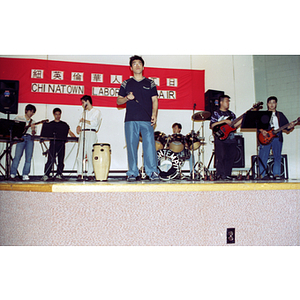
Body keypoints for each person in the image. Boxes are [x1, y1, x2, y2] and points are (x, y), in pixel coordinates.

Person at [117, 55, 160, 181]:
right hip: (131, 120)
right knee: (131, 146)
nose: (137, 65)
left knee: (150, 146)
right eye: (134, 64)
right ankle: (132, 172)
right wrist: (126, 98)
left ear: (143, 66)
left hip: (147, 120)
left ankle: (152, 171)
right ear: (131, 68)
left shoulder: (150, 83)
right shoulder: (126, 83)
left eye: (139, 63)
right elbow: (119, 101)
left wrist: (154, 115)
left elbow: (155, 100)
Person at [258, 96, 295, 180]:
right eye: (270, 102)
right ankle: (261, 175)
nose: (272, 104)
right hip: (265, 137)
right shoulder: (263, 114)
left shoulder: (280, 115)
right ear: (267, 104)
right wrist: (262, 131)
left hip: (277, 137)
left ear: (276, 104)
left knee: (277, 156)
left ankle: (277, 174)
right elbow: (258, 126)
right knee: (263, 156)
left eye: (273, 102)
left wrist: (291, 126)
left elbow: (286, 127)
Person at [210, 95, 242, 180]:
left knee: (231, 156)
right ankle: (220, 174)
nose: (228, 103)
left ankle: (227, 174)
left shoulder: (231, 114)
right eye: (226, 101)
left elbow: (234, 126)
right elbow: (212, 125)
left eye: (228, 101)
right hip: (220, 138)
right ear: (221, 102)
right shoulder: (216, 113)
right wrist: (224, 121)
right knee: (221, 156)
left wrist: (242, 121)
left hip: (231, 138)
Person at [41, 108, 76, 181]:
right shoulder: (50, 124)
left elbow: (70, 132)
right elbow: (45, 133)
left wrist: (75, 138)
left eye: (59, 114)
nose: (58, 116)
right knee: (50, 160)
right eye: (56, 114)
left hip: (61, 144)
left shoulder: (64, 125)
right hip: (53, 144)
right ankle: (46, 174)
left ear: (60, 114)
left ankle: (59, 174)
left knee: (61, 160)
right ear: (54, 115)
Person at [76, 95, 102, 181]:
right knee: (80, 153)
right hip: (83, 132)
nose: (82, 104)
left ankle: (90, 173)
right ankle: (80, 173)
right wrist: (78, 127)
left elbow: (94, 123)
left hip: (91, 132)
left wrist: (85, 121)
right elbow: (80, 123)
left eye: (83, 102)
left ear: (87, 101)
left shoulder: (96, 111)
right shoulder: (83, 113)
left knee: (90, 153)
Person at [10, 104, 36, 181]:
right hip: (21, 138)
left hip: (30, 138)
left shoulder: (33, 121)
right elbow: (13, 128)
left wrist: (33, 129)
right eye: (30, 111)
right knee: (17, 156)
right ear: (26, 111)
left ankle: (25, 174)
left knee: (28, 157)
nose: (31, 113)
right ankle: (13, 173)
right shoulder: (19, 118)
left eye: (33, 112)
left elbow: (34, 133)